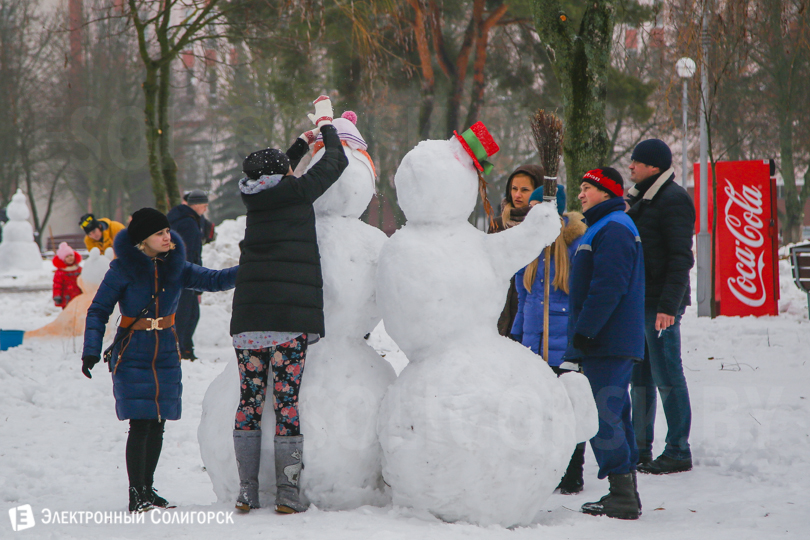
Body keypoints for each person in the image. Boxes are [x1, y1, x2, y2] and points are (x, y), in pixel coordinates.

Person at [229, 95, 347, 515]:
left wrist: (300, 142)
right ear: (285, 175)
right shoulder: (297, 193)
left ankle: (246, 492)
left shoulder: (252, 197)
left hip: (248, 321)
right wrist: (327, 124)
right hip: (288, 321)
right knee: (286, 406)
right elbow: (337, 163)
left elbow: (277, 168)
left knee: (248, 402)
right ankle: (287, 494)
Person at [81, 208, 237, 513]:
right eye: (159, 234)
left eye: (167, 232)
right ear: (143, 241)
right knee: (140, 423)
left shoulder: (176, 266)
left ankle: (148, 489)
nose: (167, 237)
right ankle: (135, 493)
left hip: (165, 352)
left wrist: (254, 266)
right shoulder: (123, 269)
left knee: (158, 423)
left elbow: (215, 280)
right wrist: (90, 349)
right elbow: (98, 309)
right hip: (132, 352)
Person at [563, 167, 645, 520]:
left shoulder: (613, 227)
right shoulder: (604, 226)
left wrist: (586, 332)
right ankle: (625, 490)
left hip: (606, 340)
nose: (580, 194)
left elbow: (609, 287)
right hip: (606, 339)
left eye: (586, 188)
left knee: (603, 415)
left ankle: (621, 494)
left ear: (606, 192)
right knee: (614, 412)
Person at [512, 185, 588, 494]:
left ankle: (573, 472)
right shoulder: (527, 247)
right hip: (534, 342)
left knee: (567, 407)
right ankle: (546, 470)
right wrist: (517, 336)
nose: (531, 215)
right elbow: (522, 295)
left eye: (537, 208)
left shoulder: (574, 244)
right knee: (538, 409)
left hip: (563, 343)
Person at [626, 139, 696, 475]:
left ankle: (678, 450)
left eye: (636, 162)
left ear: (653, 166)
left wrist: (668, 307)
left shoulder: (673, 199)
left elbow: (681, 258)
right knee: (640, 377)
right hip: (640, 302)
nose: (631, 167)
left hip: (661, 306)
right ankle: (641, 447)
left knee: (667, 375)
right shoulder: (641, 198)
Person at [488, 165, 544, 337]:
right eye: (514, 189)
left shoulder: (544, 227)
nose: (517, 195)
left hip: (529, 308)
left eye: (525, 190)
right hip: (499, 308)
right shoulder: (497, 225)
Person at [167, 189, 209, 361]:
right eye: (204, 206)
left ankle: (183, 348)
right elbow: (192, 253)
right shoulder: (190, 224)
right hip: (185, 274)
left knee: (186, 312)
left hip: (175, 271)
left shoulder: (178, 218)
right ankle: (182, 349)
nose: (205, 210)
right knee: (188, 314)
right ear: (197, 205)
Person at [52, 242, 83, 309]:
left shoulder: (79, 269)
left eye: (71, 255)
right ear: (63, 259)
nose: (70, 258)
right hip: (66, 298)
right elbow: (57, 285)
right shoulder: (60, 272)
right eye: (67, 257)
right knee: (69, 313)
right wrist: (57, 295)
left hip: (79, 295)